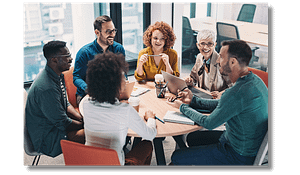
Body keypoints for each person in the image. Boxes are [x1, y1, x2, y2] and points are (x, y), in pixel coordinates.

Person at [167, 40, 268, 165]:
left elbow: (208, 123)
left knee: (177, 156)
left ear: (233, 62)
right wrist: (193, 100)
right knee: (193, 138)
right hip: (243, 144)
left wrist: (182, 107)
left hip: (238, 155)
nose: (217, 60)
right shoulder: (255, 80)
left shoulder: (236, 93)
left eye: (221, 56)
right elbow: (222, 104)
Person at [82, 52, 157, 165]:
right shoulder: (124, 110)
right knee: (147, 144)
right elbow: (150, 134)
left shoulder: (85, 104)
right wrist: (150, 118)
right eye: (123, 77)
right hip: (114, 162)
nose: (126, 81)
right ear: (114, 84)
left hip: (89, 161)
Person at [25, 41, 85, 158]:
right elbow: (63, 123)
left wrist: (81, 118)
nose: (71, 59)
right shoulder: (46, 88)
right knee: (98, 134)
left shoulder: (56, 74)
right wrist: (85, 125)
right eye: (67, 56)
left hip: (54, 127)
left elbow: (65, 104)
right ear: (54, 60)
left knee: (96, 130)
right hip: (47, 139)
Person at [73, 15, 125, 105]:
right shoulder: (84, 53)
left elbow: (122, 72)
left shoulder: (118, 49)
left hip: (111, 93)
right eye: (108, 32)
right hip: (87, 95)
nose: (112, 35)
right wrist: (89, 89)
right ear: (97, 32)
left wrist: (124, 84)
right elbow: (76, 77)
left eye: (114, 31)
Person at [185, 29, 231, 99]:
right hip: (203, 96)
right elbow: (193, 78)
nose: (206, 47)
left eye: (210, 43)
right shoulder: (199, 57)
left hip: (217, 100)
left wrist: (221, 93)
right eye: (202, 43)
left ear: (215, 45)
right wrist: (189, 80)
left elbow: (234, 86)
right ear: (197, 45)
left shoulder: (222, 62)